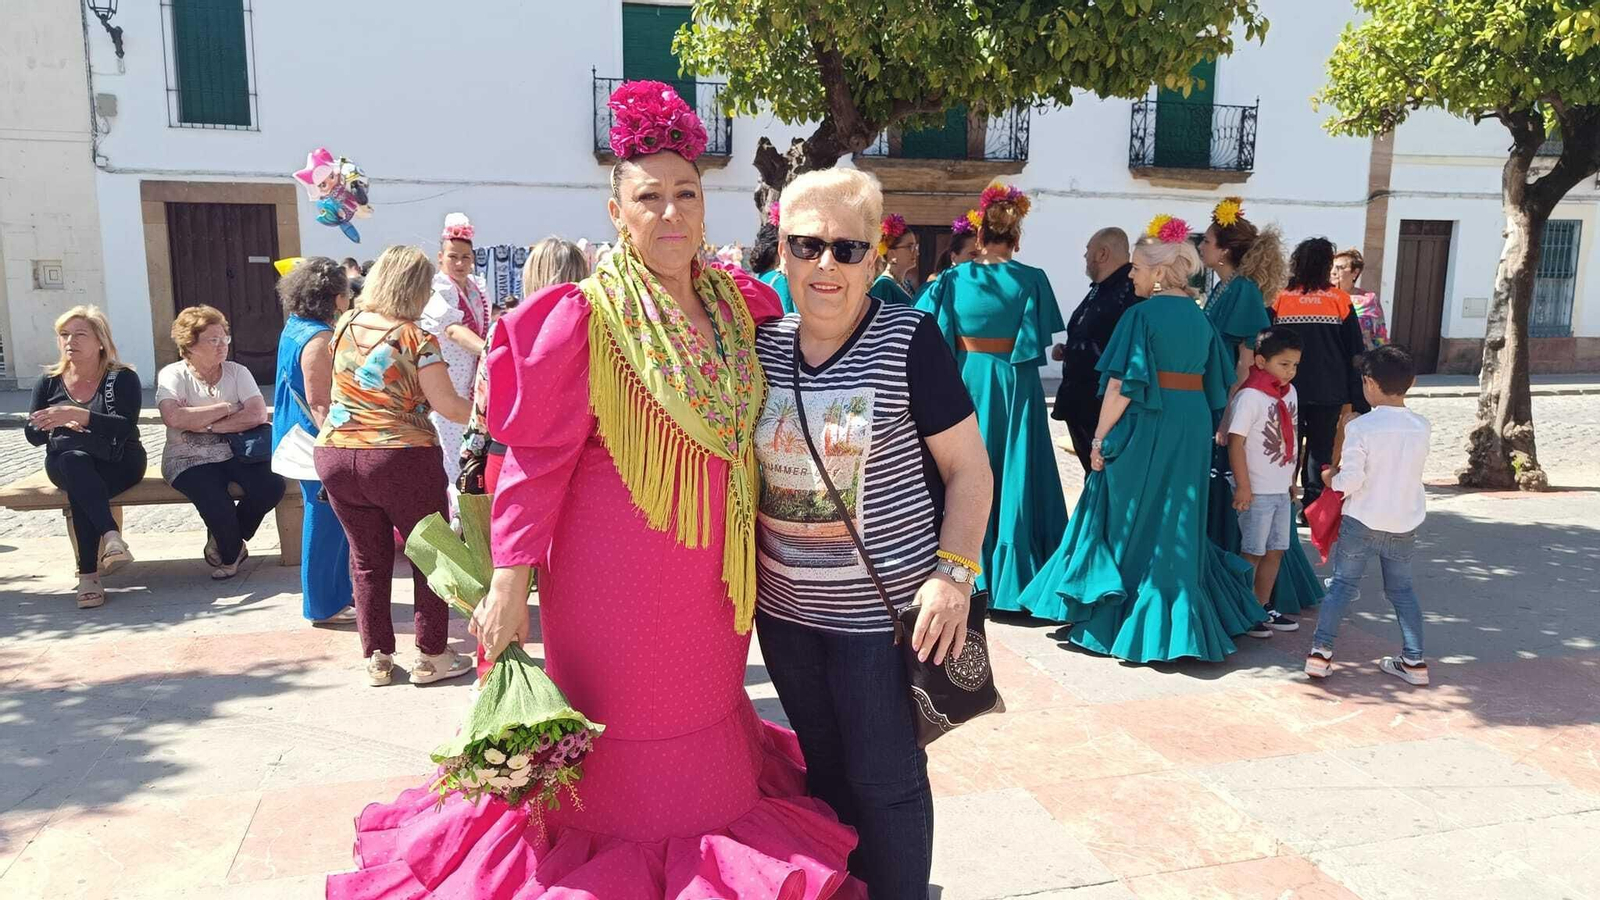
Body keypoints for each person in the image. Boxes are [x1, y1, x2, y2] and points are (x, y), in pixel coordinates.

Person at [327, 81, 857, 899]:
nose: (672, 212)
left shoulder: (736, 307)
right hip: (611, 592)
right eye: (650, 196)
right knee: (625, 753)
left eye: (687, 193)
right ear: (618, 212)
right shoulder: (581, 319)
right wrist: (508, 585)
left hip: (714, 583)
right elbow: (530, 464)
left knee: (706, 730)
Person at [754, 167, 992, 899]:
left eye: (847, 249)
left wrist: (954, 574)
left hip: (879, 623)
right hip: (786, 621)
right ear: (782, 253)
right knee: (824, 775)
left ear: (874, 258)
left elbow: (971, 471)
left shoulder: (909, 339)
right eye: (807, 245)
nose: (826, 264)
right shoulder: (760, 346)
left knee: (885, 782)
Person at [1014, 221, 1268, 661]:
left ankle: (1126, 613)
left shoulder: (1141, 315)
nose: (1130, 276)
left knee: (1125, 512)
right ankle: (1176, 612)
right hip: (1189, 424)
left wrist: (1098, 439)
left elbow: (1120, 385)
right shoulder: (1200, 317)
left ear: (1156, 271)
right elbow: (1217, 385)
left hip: (1151, 419)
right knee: (1176, 519)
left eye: (1135, 269)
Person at [313, 245, 474, 688]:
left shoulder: (344, 325)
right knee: (430, 555)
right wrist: (488, 410)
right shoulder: (417, 339)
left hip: (336, 454)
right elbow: (448, 406)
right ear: (415, 289)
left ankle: (378, 659)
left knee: (366, 560)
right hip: (399, 455)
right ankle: (431, 655)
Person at [917, 182, 1066, 612]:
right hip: (1014, 384)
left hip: (965, 380)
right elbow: (1040, 337)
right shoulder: (1032, 280)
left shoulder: (951, 279)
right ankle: (1015, 577)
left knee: (962, 467)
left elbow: (930, 330)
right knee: (1015, 469)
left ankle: (963, 565)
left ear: (979, 236)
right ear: (1016, 238)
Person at [1197, 200, 1322, 616]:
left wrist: (1230, 411)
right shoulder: (1223, 287)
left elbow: (1245, 359)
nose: (1202, 247)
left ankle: (1258, 597)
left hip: (1230, 402)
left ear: (1225, 249)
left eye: (1208, 241)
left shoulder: (1243, 291)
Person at [1305, 345, 1431, 685]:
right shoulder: (1422, 425)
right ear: (1412, 382)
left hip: (1362, 518)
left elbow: (1352, 480)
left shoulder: (1361, 427)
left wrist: (1331, 478)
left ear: (1368, 383)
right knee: (1402, 591)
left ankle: (1320, 654)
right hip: (1404, 521)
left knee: (1342, 586)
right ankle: (1414, 661)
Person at [26, 306, 145, 609]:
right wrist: (56, 423)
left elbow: (125, 426)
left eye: (80, 334)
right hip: (67, 462)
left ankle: (88, 576)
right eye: (64, 335)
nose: (70, 341)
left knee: (80, 484)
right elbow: (34, 435)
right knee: (74, 463)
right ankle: (111, 537)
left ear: (100, 341)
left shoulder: (122, 377)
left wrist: (80, 414)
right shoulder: (49, 381)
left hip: (120, 461)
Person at [155, 305, 285, 581]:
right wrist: (228, 406)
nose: (222, 346)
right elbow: (174, 417)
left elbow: (257, 413)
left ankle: (228, 540)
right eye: (212, 340)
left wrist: (207, 424)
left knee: (271, 486)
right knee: (216, 500)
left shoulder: (237, 372)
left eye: (224, 338)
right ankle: (230, 555)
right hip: (187, 456)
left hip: (236, 450)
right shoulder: (173, 375)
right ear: (189, 345)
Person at [458, 236, 590, 497]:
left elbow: (484, 403)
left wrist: (470, 455)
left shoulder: (506, 328)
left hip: (509, 455)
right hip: (578, 458)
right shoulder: (595, 330)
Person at [272, 257, 355, 624]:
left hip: (296, 433)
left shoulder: (294, 326)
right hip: (313, 440)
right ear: (336, 298)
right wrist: (337, 446)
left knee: (325, 518)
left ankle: (334, 596)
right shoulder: (318, 337)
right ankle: (323, 603)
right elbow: (320, 400)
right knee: (325, 520)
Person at [1270, 237, 1366, 509]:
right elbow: (1355, 351)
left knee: (1285, 445)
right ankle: (1312, 506)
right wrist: (1358, 398)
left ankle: (1282, 500)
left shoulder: (1281, 299)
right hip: (1329, 389)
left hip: (1287, 386)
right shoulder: (1339, 300)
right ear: (1326, 266)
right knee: (1320, 449)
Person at [1226, 326, 1304, 636]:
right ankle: (1244, 609)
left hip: (1280, 488)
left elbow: (1294, 438)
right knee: (1253, 551)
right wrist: (1244, 486)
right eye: (1283, 364)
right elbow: (1236, 443)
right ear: (1260, 361)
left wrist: (1291, 480)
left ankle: (1262, 605)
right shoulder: (1250, 396)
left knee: (1276, 550)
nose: (1290, 372)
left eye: (1295, 365)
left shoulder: (1290, 394)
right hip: (1256, 489)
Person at [1052, 227, 1138, 472]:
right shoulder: (1101, 288)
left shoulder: (1129, 290)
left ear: (1102, 254)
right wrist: (1071, 350)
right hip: (1080, 400)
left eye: (1088, 251)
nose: (1085, 257)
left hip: (1100, 403)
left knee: (1103, 473)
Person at [419, 212, 491, 490]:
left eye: (465, 257)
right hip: (448, 379)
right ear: (440, 258)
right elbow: (451, 329)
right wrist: (489, 349)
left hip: (474, 379)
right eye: (453, 257)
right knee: (451, 452)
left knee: (473, 445)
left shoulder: (475, 288)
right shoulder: (439, 289)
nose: (460, 263)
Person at [1333, 247, 1388, 350]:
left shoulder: (1369, 300)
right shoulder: (1324, 298)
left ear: (1355, 272)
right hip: (1334, 358)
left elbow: (1380, 335)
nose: (1333, 272)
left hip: (1362, 358)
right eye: (1332, 267)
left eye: (1340, 267)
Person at [876, 214, 920, 302]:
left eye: (916, 247)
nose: (917, 252)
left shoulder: (906, 284)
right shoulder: (883, 286)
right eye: (909, 247)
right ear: (892, 253)